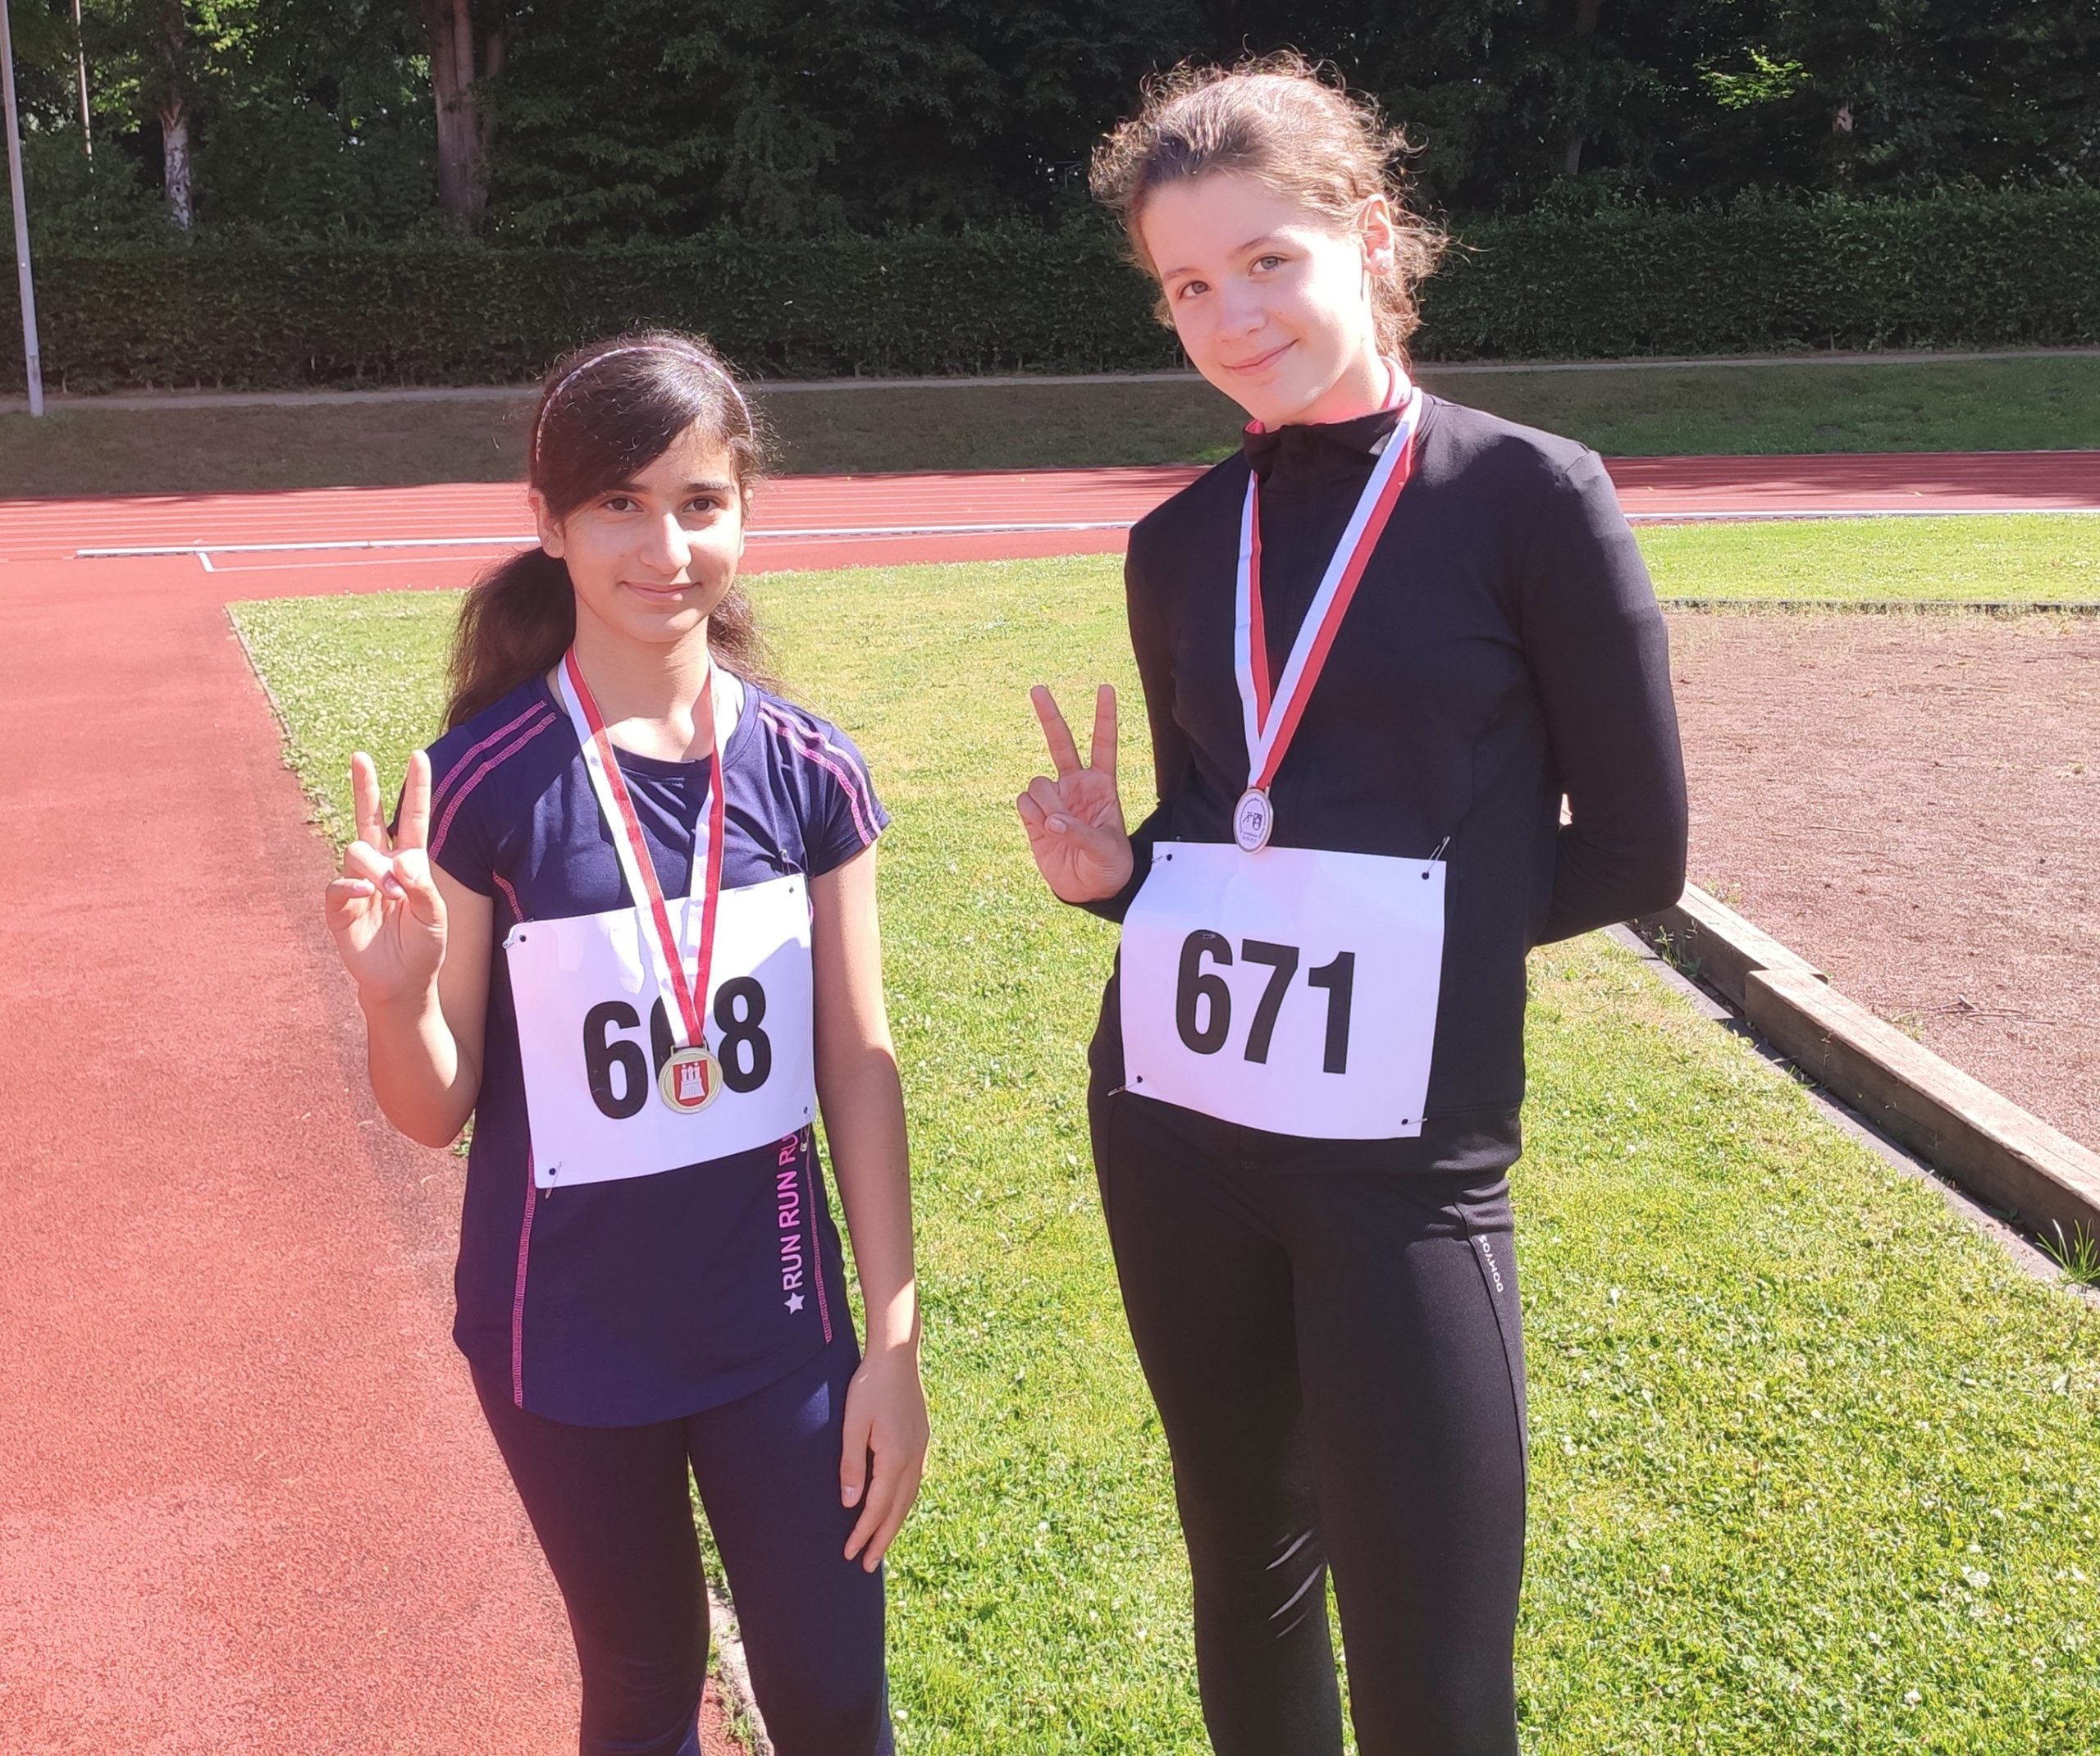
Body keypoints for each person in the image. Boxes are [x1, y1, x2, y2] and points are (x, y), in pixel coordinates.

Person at [1016, 58, 1687, 1756]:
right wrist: (1121, 877)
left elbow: (1632, 853)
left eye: (1266, 262)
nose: (1230, 315)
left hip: (1404, 1161)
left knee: (1433, 1671)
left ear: (1370, 238)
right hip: (1175, 1131)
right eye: (1186, 284)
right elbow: (1228, 837)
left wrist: (1401, 952)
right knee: (1245, 1582)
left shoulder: (1528, 498)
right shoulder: (1181, 544)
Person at [326, 332, 926, 1756]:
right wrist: (395, 1001)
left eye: (701, 502)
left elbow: (857, 1060)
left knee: (836, 1696)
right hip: (564, 1338)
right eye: (619, 504)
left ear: (745, 511)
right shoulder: (482, 785)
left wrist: (893, 1345)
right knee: (646, 1689)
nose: (666, 548)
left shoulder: (811, 770)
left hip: (780, 1325)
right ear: (548, 522)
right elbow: (436, 1110)